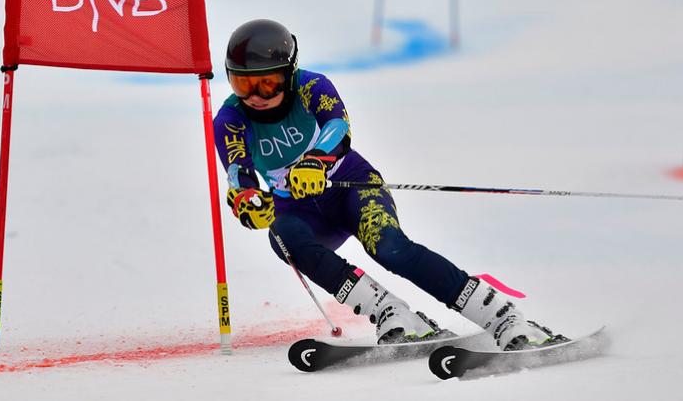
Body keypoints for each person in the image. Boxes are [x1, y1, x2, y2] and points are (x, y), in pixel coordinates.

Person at [213, 19, 565, 349]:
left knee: (390, 248)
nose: (255, 94)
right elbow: (238, 173)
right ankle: (389, 311)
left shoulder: (312, 86)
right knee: (281, 237)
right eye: (242, 83)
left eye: (267, 82)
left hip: (349, 186)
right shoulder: (230, 118)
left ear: (289, 75)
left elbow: (339, 128)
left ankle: (501, 315)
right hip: (299, 209)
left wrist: (316, 160)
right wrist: (248, 203)